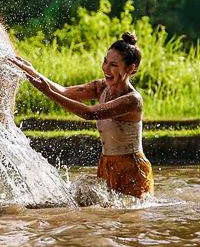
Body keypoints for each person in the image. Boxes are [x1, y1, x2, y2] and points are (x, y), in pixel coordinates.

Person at [9, 32, 154, 198]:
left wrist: (47, 92)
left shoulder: (132, 100)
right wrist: (33, 72)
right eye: (105, 61)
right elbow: (65, 91)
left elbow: (89, 113)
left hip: (132, 168)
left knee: (130, 213)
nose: (106, 69)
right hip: (106, 164)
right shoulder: (101, 87)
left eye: (113, 65)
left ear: (130, 69)